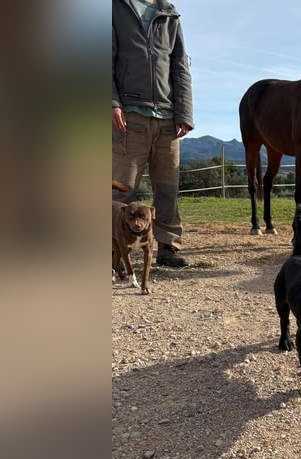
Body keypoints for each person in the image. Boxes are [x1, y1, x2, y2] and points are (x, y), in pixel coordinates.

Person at [112, 0, 194, 267]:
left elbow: (180, 66)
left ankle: (168, 247)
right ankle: (111, 250)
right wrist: (112, 103)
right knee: (121, 190)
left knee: (168, 189)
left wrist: (185, 113)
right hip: (129, 117)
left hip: (168, 119)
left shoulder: (170, 14)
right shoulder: (113, 8)